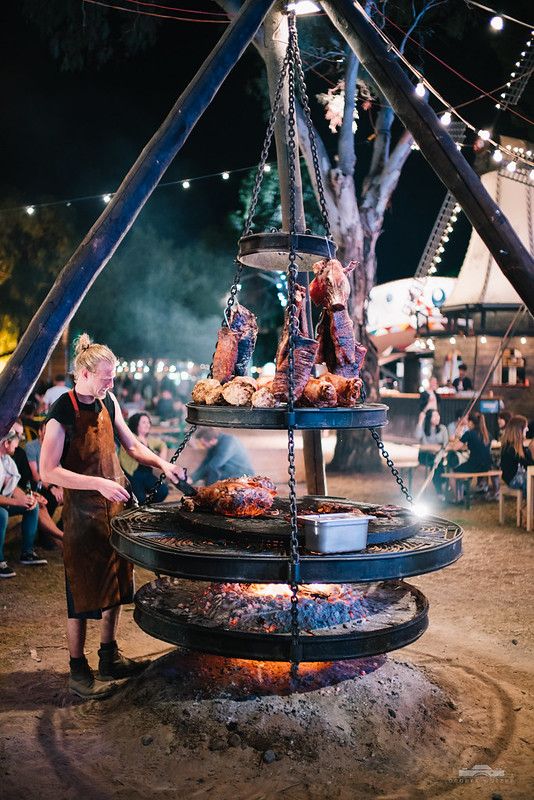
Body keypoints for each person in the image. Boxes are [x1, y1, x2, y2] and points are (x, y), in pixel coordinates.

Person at [40, 334, 184, 699]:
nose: (111, 382)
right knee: (82, 593)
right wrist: (98, 484)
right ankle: (77, 668)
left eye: (113, 376)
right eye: (106, 376)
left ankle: (109, 657)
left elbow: (133, 445)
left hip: (116, 511)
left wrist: (163, 464)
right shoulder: (61, 413)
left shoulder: (109, 402)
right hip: (82, 516)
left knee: (118, 585)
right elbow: (48, 471)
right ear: (85, 373)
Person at [0, 428, 47, 579]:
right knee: (2, 514)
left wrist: (27, 498)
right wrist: (16, 501)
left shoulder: (6, 460)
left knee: (31, 507)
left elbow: (12, 487)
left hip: (5, 501)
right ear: (6, 443)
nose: (19, 442)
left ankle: (27, 553)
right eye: (17, 439)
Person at [11, 420, 63, 551]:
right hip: (39, 485)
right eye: (15, 434)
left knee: (71, 497)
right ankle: (53, 537)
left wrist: (60, 489)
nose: (18, 438)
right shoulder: (30, 447)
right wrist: (49, 489)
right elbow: (34, 476)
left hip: (29, 489)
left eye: (20, 434)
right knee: (46, 500)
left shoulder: (17, 454)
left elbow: (24, 480)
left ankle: (57, 533)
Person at [119, 412, 169, 504]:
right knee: (139, 499)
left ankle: (147, 507)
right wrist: (160, 464)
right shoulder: (130, 438)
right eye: (144, 422)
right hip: (132, 475)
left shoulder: (149, 439)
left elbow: (162, 444)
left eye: (148, 422)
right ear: (136, 424)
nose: (148, 425)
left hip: (146, 474)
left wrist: (162, 460)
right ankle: (142, 507)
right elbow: (138, 455)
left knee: (162, 491)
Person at [448, 411, 493, 501]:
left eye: (467, 422)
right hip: (487, 466)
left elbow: (454, 447)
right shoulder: (486, 433)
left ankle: (458, 498)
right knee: (465, 467)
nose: (466, 425)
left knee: (452, 471)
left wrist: (457, 435)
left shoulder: (469, 433)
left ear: (471, 423)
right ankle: (464, 493)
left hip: (475, 465)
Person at [415, 409, 449, 495]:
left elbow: (445, 445)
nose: (437, 418)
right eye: (434, 416)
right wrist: (420, 421)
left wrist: (439, 451)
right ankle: (442, 485)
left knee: (437, 466)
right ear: (429, 418)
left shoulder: (442, 428)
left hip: (438, 456)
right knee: (436, 463)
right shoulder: (423, 428)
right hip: (425, 455)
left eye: (438, 415)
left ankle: (439, 491)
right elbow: (417, 436)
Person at [500, 415, 534, 496]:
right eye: (526, 427)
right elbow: (527, 464)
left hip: (519, 476)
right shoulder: (510, 448)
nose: (528, 429)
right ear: (519, 429)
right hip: (513, 479)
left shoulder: (517, 445)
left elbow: (529, 462)